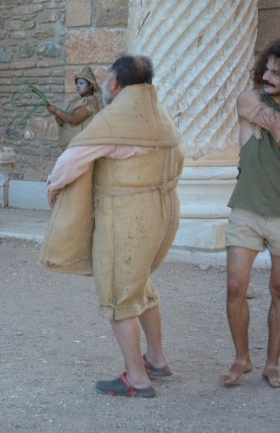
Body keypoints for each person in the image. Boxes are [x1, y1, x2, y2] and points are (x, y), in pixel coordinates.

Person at [40, 55, 184, 398]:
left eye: (107, 79)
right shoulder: (160, 115)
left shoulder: (115, 118)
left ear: (115, 82)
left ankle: (137, 378)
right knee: (140, 286)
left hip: (127, 215)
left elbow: (71, 159)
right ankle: (156, 359)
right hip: (164, 212)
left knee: (119, 295)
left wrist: (53, 187)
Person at [220, 39, 280, 388]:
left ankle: (272, 365)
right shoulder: (249, 98)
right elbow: (257, 112)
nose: (267, 76)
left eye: (278, 72)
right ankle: (241, 359)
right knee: (235, 286)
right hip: (246, 207)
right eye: (267, 69)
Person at [46, 66, 101, 150]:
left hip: (82, 147)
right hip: (75, 147)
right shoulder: (76, 102)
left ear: (90, 85)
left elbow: (74, 119)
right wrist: (60, 119)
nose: (78, 86)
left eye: (81, 83)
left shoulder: (90, 101)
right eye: (77, 84)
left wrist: (56, 110)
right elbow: (66, 122)